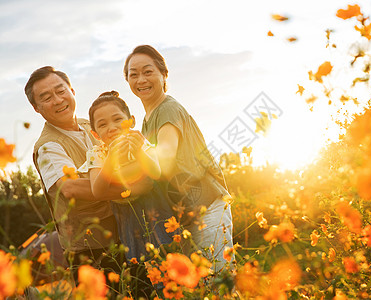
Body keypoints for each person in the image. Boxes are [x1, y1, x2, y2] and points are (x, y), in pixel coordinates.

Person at [123, 45, 234, 271]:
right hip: (186, 214)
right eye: (133, 74)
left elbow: (164, 159)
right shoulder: (148, 119)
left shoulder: (167, 109)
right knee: (203, 287)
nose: (141, 79)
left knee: (219, 284)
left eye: (147, 71)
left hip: (206, 206)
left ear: (163, 74)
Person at [24, 66, 121, 286]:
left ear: (72, 91)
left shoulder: (92, 125)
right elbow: (70, 188)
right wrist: (128, 190)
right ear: (36, 107)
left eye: (60, 91)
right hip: (90, 250)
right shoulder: (48, 146)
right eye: (46, 97)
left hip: (122, 234)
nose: (57, 100)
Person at [80, 90, 174, 260]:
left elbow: (156, 172)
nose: (112, 128)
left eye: (118, 120)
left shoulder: (140, 141)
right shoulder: (98, 153)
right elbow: (98, 191)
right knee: (141, 260)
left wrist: (138, 152)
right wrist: (110, 160)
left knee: (168, 250)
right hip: (126, 212)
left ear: (131, 121)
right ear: (95, 134)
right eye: (102, 125)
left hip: (156, 205)